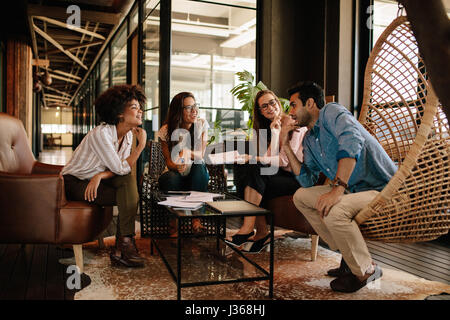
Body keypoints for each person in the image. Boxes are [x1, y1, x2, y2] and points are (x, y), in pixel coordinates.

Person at [281, 81, 397, 293]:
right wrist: (285, 144)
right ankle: (349, 256)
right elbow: (307, 181)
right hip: (354, 191)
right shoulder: (310, 138)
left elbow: (351, 141)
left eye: (293, 105)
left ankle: (366, 271)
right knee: (301, 196)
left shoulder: (331, 112)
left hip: (382, 189)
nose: (290, 112)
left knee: (336, 211)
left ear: (310, 103)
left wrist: (338, 189)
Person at [61, 84, 147, 268]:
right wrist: (141, 147)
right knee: (128, 194)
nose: (140, 111)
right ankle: (123, 246)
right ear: (119, 114)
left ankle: (123, 245)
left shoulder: (129, 135)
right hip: (73, 183)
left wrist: (100, 175)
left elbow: (121, 169)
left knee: (127, 186)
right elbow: (120, 167)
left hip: (96, 180)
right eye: (134, 107)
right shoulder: (101, 134)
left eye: (140, 107)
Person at [226, 89, 308, 253]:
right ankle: (261, 233)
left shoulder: (294, 123)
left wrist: (255, 159)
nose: (270, 108)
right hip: (279, 175)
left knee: (254, 169)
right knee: (246, 169)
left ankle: (249, 228)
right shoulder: (271, 127)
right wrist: (275, 133)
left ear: (278, 103)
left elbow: (284, 161)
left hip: (297, 177)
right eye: (264, 106)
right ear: (261, 112)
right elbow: (269, 158)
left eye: (272, 102)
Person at [157, 92, 210, 234]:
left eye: (195, 106)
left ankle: (196, 218)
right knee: (171, 177)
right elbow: (168, 162)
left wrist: (187, 152)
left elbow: (200, 154)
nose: (194, 111)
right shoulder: (166, 131)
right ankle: (176, 221)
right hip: (175, 174)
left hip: (196, 176)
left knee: (199, 165)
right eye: (188, 107)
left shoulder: (201, 125)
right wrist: (178, 166)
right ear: (178, 111)